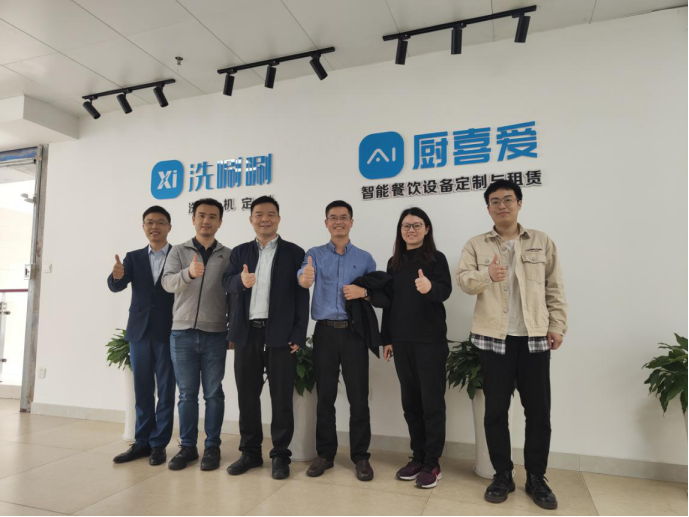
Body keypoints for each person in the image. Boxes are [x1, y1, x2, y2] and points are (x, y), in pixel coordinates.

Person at [458, 180, 568, 511]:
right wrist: (487, 276)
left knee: (538, 412)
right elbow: (464, 281)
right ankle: (502, 475)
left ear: (519, 203)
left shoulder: (541, 241)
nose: (502, 205)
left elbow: (554, 286)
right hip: (494, 339)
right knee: (495, 411)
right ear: (488, 208)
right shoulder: (476, 244)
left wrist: (557, 325)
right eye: (495, 201)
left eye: (508, 199)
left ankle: (536, 478)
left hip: (534, 336)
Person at [224, 196, 309, 481]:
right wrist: (240, 282)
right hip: (247, 333)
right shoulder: (240, 252)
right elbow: (227, 283)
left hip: (280, 334)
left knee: (281, 396)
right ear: (251, 219)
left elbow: (301, 296)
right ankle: (250, 453)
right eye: (259, 214)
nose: (265, 219)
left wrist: (298, 334)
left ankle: (280, 455)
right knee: (247, 395)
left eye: (271, 214)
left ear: (279, 219)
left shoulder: (294, 252)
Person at [298, 201, 377, 482]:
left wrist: (364, 293)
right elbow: (303, 278)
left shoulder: (365, 259)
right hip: (325, 332)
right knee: (326, 397)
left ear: (351, 222)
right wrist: (305, 278)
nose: (338, 222)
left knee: (359, 397)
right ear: (326, 223)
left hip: (354, 333)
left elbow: (376, 293)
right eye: (333, 217)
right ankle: (325, 454)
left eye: (344, 217)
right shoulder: (314, 255)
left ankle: (361, 456)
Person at [381, 208, 452, 490]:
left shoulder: (436, 259)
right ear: (400, 231)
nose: (411, 230)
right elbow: (389, 303)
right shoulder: (394, 262)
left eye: (416, 225)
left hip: (430, 341)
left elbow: (445, 291)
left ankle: (432, 462)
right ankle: (418, 457)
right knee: (410, 403)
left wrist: (429, 286)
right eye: (406, 226)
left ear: (427, 229)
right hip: (401, 341)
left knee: (431, 404)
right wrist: (386, 338)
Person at [162, 198, 232, 472]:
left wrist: (232, 329)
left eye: (212, 216)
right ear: (193, 219)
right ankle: (188, 447)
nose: (206, 220)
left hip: (215, 334)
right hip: (182, 334)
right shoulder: (178, 251)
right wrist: (188, 274)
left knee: (214, 394)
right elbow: (167, 283)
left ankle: (212, 447)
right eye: (201, 215)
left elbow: (233, 294)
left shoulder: (228, 255)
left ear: (220, 222)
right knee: (187, 394)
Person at [108, 206, 176, 467]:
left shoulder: (178, 255)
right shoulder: (134, 257)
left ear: (169, 227)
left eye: (160, 222)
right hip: (139, 331)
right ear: (143, 226)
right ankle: (142, 442)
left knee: (166, 390)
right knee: (142, 389)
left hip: (169, 331)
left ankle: (159, 444)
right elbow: (117, 285)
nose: (154, 226)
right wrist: (115, 276)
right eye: (149, 222)